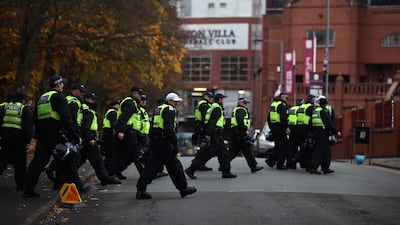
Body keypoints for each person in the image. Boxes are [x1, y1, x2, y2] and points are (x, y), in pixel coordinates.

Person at [23, 75, 88, 198]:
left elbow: (35, 118)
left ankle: (28, 189)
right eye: (62, 83)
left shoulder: (42, 98)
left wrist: (38, 134)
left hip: (43, 135)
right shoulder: (59, 97)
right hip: (56, 134)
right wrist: (75, 135)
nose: (63, 85)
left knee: (38, 162)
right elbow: (66, 118)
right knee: (68, 161)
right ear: (58, 84)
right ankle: (79, 188)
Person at [136, 92, 197, 199]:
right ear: (169, 101)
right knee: (175, 166)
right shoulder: (169, 110)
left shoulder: (158, 109)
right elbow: (169, 129)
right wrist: (174, 144)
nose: (176, 104)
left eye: (177, 102)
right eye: (175, 102)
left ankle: (141, 189)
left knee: (151, 166)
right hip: (164, 142)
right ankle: (183, 188)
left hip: (156, 141)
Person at [185, 93, 237, 179]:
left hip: (215, 134)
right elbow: (212, 122)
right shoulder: (216, 108)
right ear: (219, 99)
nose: (223, 101)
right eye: (223, 99)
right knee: (207, 153)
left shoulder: (213, 106)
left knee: (223, 153)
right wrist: (208, 134)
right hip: (214, 133)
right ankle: (191, 169)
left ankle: (226, 172)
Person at [80, 92, 121, 185]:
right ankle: (105, 178)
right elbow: (86, 127)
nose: (94, 101)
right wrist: (90, 138)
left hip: (88, 137)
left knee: (81, 158)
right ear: (87, 99)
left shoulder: (85, 109)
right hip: (89, 137)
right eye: (92, 99)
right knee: (97, 160)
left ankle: (61, 177)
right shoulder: (88, 111)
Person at [0, 92, 33, 191]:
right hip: (18, 139)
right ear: (22, 100)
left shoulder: (4, 106)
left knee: (2, 160)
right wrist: (27, 141)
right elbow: (27, 127)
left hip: (5, 138)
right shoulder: (23, 108)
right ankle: (21, 185)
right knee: (20, 163)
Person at [229, 97, 263, 173]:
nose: (246, 104)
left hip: (237, 132)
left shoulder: (238, 109)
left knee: (236, 151)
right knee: (245, 150)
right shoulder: (241, 110)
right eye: (245, 103)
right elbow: (241, 121)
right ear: (240, 103)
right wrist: (244, 131)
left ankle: (223, 165)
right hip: (240, 133)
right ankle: (253, 167)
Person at [116, 86, 144, 177]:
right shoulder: (130, 103)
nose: (140, 97)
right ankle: (144, 173)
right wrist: (121, 131)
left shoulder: (132, 103)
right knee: (135, 153)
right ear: (135, 94)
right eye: (139, 95)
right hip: (128, 132)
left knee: (128, 155)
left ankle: (115, 171)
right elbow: (124, 118)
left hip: (132, 132)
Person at [309, 96, 341, 174]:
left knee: (326, 151)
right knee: (319, 151)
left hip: (316, 133)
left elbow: (310, 123)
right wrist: (336, 131)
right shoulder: (323, 111)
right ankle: (313, 167)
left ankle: (325, 167)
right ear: (324, 104)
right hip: (322, 133)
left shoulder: (315, 111)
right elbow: (328, 123)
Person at [267, 92, 290, 170]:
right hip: (280, 128)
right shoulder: (282, 106)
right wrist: (286, 127)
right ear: (283, 98)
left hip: (274, 128)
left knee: (278, 145)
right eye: (286, 98)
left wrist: (271, 127)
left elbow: (268, 118)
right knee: (283, 145)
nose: (287, 100)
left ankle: (270, 159)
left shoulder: (273, 104)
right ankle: (280, 164)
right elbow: (283, 118)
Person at [102, 100, 124, 179]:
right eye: (118, 105)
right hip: (110, 136)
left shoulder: (112, 112)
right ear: (114, 105)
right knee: (111, 156)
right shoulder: (113, 113)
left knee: (111, 155)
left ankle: (111, 172)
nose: (119, 106)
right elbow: (114, 124)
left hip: (109, 136)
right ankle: (109, 173)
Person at [192, 91, 214, 171]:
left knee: (204, 147)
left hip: (200, 126)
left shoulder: (205, 104)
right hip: (202, 127)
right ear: (206, 97)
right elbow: (205, 117)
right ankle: (195, 164)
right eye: (210, 97)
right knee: (203, 146)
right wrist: (206, 130)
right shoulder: (204, 104)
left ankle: (199, 164)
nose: (211, 99)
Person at [295, 94, 316, 171]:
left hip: (299, 129)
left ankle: (302, 163)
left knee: (302, 146)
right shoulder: (310, 107)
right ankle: (305, 163)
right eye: (314, 99)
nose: (315, 101)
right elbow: (313, 118)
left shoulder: (302, 106)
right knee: (309, 148)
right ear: (311, 100)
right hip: (307, 129)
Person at [286, 97, 304, 169]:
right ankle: (300, 162)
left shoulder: (292, 109)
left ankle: (290, 164)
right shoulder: (301, 109)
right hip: (298, 129)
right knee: (303, 147)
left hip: (291, 129)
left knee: (292, 148)